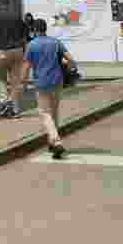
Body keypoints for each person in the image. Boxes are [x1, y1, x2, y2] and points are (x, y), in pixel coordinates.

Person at [22, 18, 76, 159]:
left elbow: (26, 66)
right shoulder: (55, 42)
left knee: (45, 114)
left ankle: (56, 142)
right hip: (57, 82)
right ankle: (52, 143)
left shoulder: (31, 45)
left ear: (34, 30)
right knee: (54, 113)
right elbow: (71, 60)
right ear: (45, 29)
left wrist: (23, 82)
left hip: (41, 83)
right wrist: (71, 71)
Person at [0, 12, 27, 118]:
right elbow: (24, 37)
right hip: (17, 50)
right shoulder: (17, 17)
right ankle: (15, 109)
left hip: (2, 50)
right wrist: (24, 52)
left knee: (0, 78)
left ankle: (4, 104)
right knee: (15, 81)